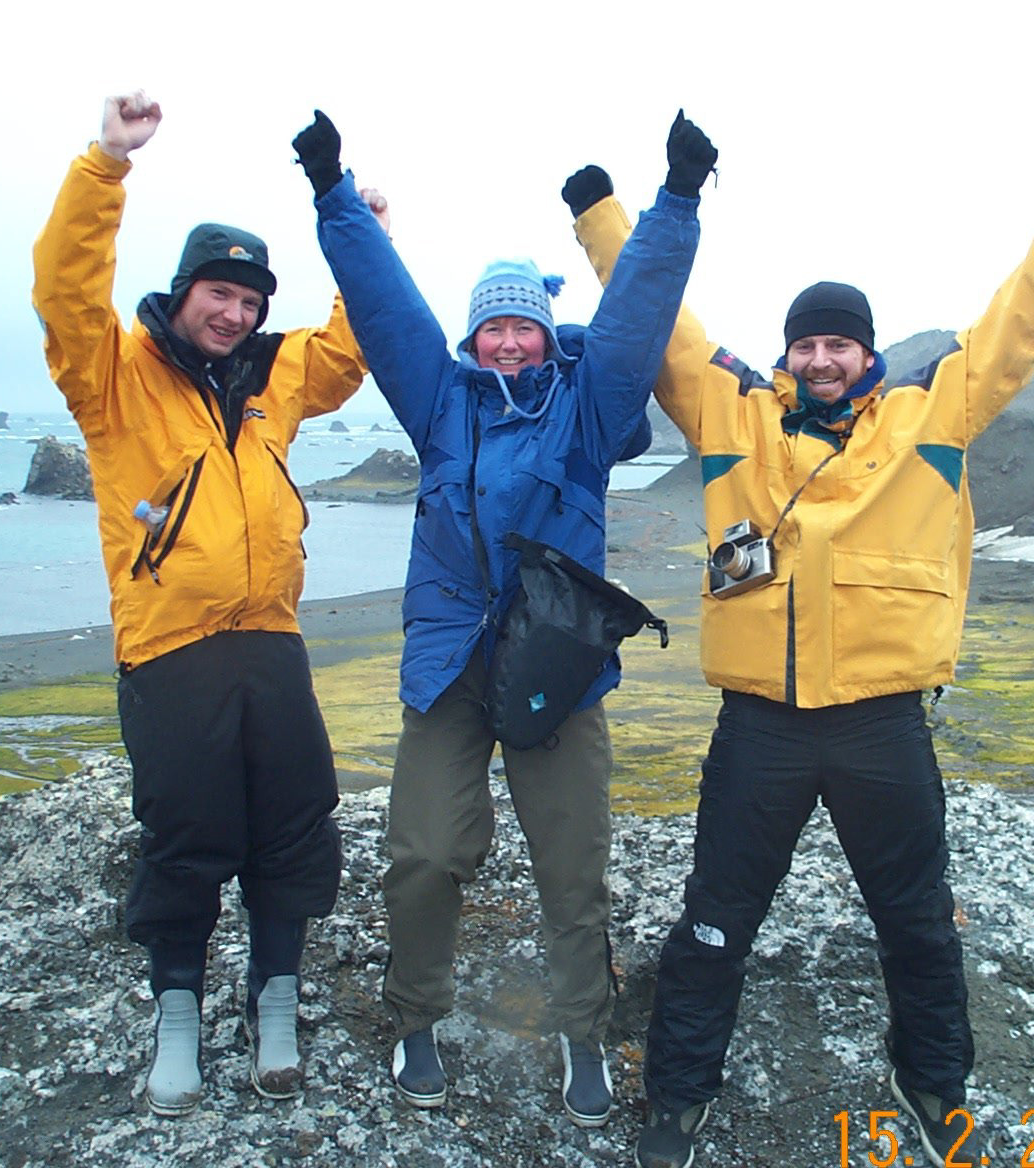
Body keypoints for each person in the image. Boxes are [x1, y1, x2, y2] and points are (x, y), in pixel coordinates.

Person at [564, 129, 1034, 1168]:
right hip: (761, 726)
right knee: (714, 922)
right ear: (786, 353)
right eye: (807, 345)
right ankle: (679, 1095)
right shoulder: (730, 412)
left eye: (839, 344)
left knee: (918, 923)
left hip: (884, 722)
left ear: (866, 354)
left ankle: (933, 1085)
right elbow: (661, 323)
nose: (821, 359)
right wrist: (602, 216)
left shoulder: (935, 409)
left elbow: (1029, 311)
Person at [289, 108, 715, 1128]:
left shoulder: (590, 406)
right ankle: (415, 1016)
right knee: (424, 854)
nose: (511, 340)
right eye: (495, 326)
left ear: (542, 333)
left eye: (524, 325)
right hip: (449, 664)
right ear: (473, 337)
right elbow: (387, 306)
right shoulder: (439, 403)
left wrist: (677, 201)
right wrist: (333, 193)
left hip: (556, 667)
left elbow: (636, 315)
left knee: (572, 867)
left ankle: (581, 1032)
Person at [31, 91, 381, 1116]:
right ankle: (177, 1013)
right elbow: (65, 292)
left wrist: (364, 239)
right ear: (182, 292)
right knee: (184, 839)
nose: (234, 313)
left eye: (249, 300)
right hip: (170, 649)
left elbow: (349, 350)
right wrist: (105, 164)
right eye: (218, 293)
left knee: (293, 829)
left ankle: (275, 999)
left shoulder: (271, 378)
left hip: (270, 641)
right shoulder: (113, 375)